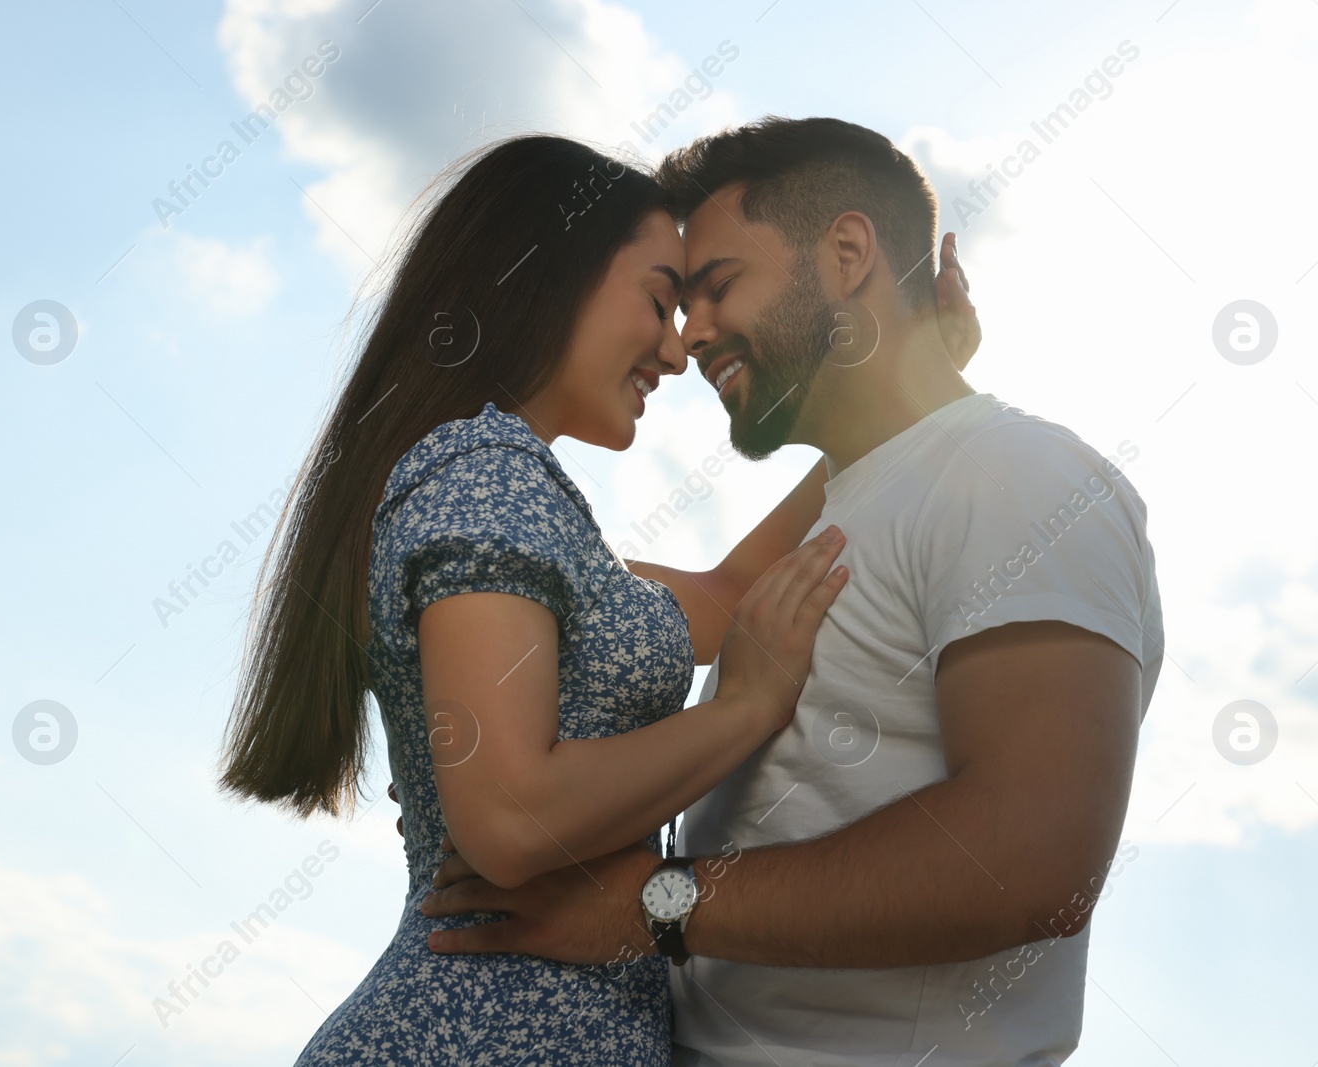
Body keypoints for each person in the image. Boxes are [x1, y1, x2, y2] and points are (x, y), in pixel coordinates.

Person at [216, 132, 982, 1066]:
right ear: (552, 277)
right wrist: (745, 708)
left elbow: (740, 590)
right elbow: (507, 814)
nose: (675, 347)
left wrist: (920, 381)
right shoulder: (481, 472)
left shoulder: (530, 515)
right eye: (661, 299)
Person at [422, 117, 1164, 1066]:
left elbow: (1033, 859)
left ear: (848, 251)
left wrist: (654, 903)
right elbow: (614, 596)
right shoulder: (852, 509)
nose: (688, 339)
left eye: (717, 287)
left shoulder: (1019, 475)